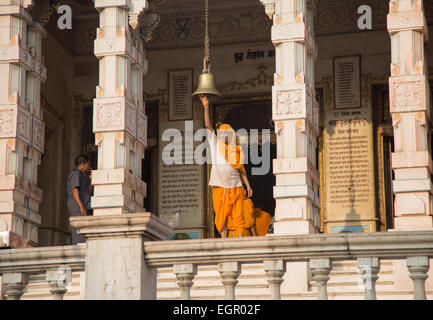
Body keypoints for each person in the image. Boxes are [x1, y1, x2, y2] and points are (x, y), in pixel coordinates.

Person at [201, 95, 263, 238]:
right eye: (220, 132)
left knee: (238, 216)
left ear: (231, 135)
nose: (222, 135)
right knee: (221, 215)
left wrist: (248, 186)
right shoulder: (215, 144)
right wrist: (206, 107)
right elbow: (208, 126)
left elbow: (241, 171)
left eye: (225, 133)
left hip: (235, 187)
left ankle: (240, 240)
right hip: (219, 186)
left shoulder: (236, 150)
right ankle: (224, 241)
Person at [66, 154, 92, 244]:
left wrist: (91, 181)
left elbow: (87, 192)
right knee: (79, 235)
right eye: (88, 164)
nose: (89, 167)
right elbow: (74, 191)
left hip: (84, 208)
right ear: (82, 164)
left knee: (84, 234)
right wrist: (81, 207)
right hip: (78, 209)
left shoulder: (82, 176)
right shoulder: (75, 174)